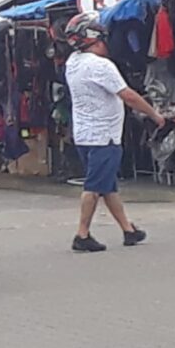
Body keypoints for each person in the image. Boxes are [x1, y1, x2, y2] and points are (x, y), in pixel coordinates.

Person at [64, 13, 164, 252]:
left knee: (107, 186)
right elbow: (128, 95)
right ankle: (82, 234)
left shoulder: (72, 63)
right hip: (103, 136)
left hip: (85, 134)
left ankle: (128, 230)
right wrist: (154, 114)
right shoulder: (100, 65)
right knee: (94, 186)